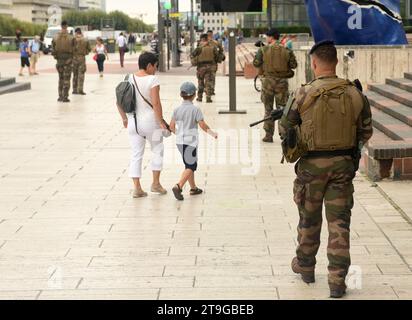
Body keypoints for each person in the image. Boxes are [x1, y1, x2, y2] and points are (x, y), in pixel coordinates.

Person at [278, 40, 373, 298]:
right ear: (337, 62)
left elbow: (285, 130)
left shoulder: (302, 93)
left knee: (308, 219)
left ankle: (306, 267)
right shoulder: (355, 94)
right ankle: (337, 281)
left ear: (314, 63)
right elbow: (366, 131)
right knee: (339, 223)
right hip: (343, 167)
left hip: (310, 168)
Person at [116, 52, 169, 198]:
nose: (156, 69)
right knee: (157, 150)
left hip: (133, 123)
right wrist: (161, 121)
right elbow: (156, 102)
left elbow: (118, 101)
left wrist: (124, 119)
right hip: (151, 122)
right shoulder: (153, 80)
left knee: (136, 154)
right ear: (149, 65)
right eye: (155, 66)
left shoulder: (127, 78)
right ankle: (156, 184)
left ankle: (137, 188)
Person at [170, 82, 218, 201]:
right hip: (190, 142)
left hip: (179, 142)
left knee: (188, 164)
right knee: (191, 166)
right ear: (193, 95)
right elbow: (202, 124)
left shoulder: (176, 110)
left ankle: (193, 188)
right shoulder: (195, 109)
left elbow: (171, 126)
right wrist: (212, 133)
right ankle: (179, 186)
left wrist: (179, 133)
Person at [253, 28, 297, 143]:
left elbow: (256, 63)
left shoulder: (263, 49)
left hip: (267, 83)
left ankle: (268, 135)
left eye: (267, 36)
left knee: (268, 109)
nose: (266, 39)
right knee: (282, 109)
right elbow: (294, 65)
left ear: (271, 37)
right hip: (282, 83)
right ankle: (284, 134)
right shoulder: (287, 50)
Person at [191, 33, 219, 103]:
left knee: (200, 83)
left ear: (201, 39)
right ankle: (208, 98)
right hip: (210, 67)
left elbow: (193, 54)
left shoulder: (199, 47)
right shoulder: (213, 46)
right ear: (207, 38)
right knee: (208, 82)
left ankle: (200, 97)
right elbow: (217, 56)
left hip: (201, 68)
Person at [52, 21, 74, 102]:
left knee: (60, 78)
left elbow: (53, 50)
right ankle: (65, 97)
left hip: (59, 61)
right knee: (67, 79)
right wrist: (71, 58)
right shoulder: (71, 37)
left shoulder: (55, 37)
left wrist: (57, 58)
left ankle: (60, 96)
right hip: (68, 61)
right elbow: (75, 50)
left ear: (61, 26)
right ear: (66, 26)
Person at [72, 28, 91, 95]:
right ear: (81, 32)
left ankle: (74, 90)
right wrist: (85, 52)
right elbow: (89, 49)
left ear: (76, 33)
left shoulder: (73, 39)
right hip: (82, 58)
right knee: (81, 74)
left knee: (75, 74)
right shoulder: (85, 40)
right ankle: (80, 90)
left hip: (74, 58)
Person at [207, 30, 225, 96]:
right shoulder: (216, 43)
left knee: (207, 77)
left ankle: (207, 89)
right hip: (213, 63)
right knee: (212, 77)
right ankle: (211, 90)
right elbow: (221, 51)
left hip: (205, 64)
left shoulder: (202, 43)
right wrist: (219, 58)